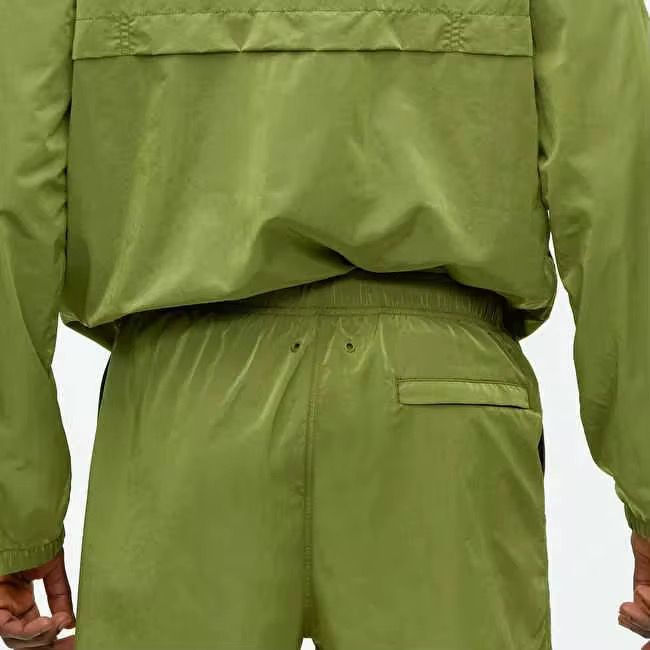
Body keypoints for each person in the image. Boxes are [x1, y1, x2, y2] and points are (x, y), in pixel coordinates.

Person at [1, 0, 649, 648]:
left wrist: (14, 514)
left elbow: (14, 189)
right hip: (444, 410)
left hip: (177, 426)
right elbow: (620, 181)